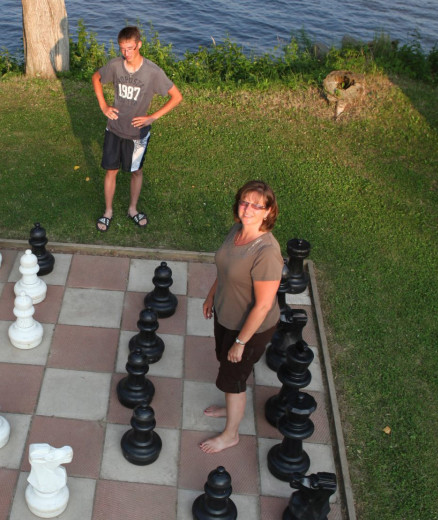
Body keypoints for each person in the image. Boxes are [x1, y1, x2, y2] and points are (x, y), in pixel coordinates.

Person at [200, 180, 283, 453]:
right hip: (226, 314)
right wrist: (213, 295)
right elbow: (225, 268)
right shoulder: (237, 230)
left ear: (268, 212)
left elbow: (263, 306)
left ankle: (231, 434)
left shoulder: (267, 253)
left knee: (234, 377)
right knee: (227, 368)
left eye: (256, 205)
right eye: (244, 202)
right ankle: (230, 407)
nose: (248, 209)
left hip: (250, 329)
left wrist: (240, 342)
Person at [92, 26, 183, 232]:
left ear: (139, 45)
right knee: (111, 171)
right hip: (114, 129)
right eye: (123, 49)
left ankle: (132, 209)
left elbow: (176, 96)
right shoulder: (115, 66)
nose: (127, 53)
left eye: (131, 48)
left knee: (136, 171)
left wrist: (152, 117)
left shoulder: (153, 72)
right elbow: (96, 78)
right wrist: (103, 105)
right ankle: (108, 212)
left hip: (137, 134)